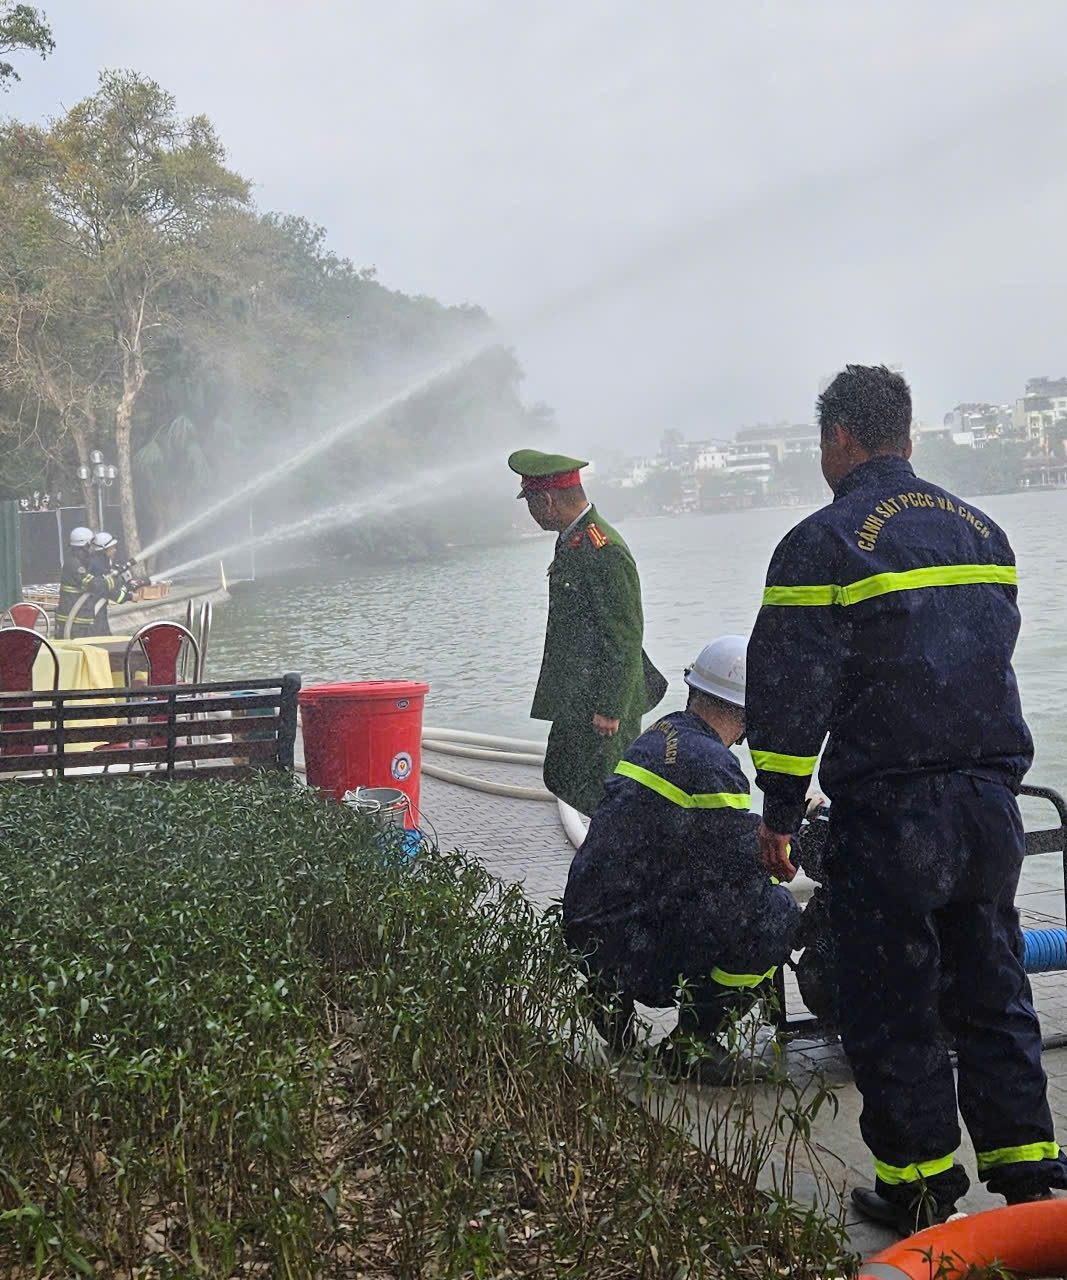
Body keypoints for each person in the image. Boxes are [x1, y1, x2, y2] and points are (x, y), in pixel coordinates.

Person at [745, 364, 1066, 1234]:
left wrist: (778, 810)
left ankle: (919, 1190)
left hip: (893, 811)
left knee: (895, 997)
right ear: (908, 437)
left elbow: (786, 690)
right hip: (990, 801)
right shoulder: (985, 531)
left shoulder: (824, 541)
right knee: (993, 982)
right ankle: (1028, 1172)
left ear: (837, 440)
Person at [563, 634, 800, 1083]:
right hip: (632, 943)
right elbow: (747, 860)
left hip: (591, 927)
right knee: (774, 912)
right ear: (749, 713)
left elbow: (696, 836)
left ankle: (608, 997)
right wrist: (791, 835)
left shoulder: (661, 734)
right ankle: (693, 1046)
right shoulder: (713, 764)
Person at [509, 448, 667, 815]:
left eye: (530, 502)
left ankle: (621, 858)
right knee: (563, 774)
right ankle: (613, 847)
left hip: (603, 704)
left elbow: (625, 637)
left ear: (546, 501)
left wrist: (611, 708)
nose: (530, 513)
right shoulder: (573, 539)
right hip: (577, 694)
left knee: (608, 793)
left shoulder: (603, 549)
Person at [83, 531, 139, 637]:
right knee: (101, 640)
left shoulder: (96, 560)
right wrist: (130, 595)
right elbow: (113, 593)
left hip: (94, 611)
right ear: (104, 549)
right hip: (94, 615)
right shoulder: (98, 566)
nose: (115, 550)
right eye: (112, 547)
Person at [55, 526, 98, 638]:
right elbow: (93, 584)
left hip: (80, 618)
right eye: (91, 545)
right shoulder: (74, 564)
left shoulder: (83, 562)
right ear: (85, 546)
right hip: (73, 621)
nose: (93, 548)